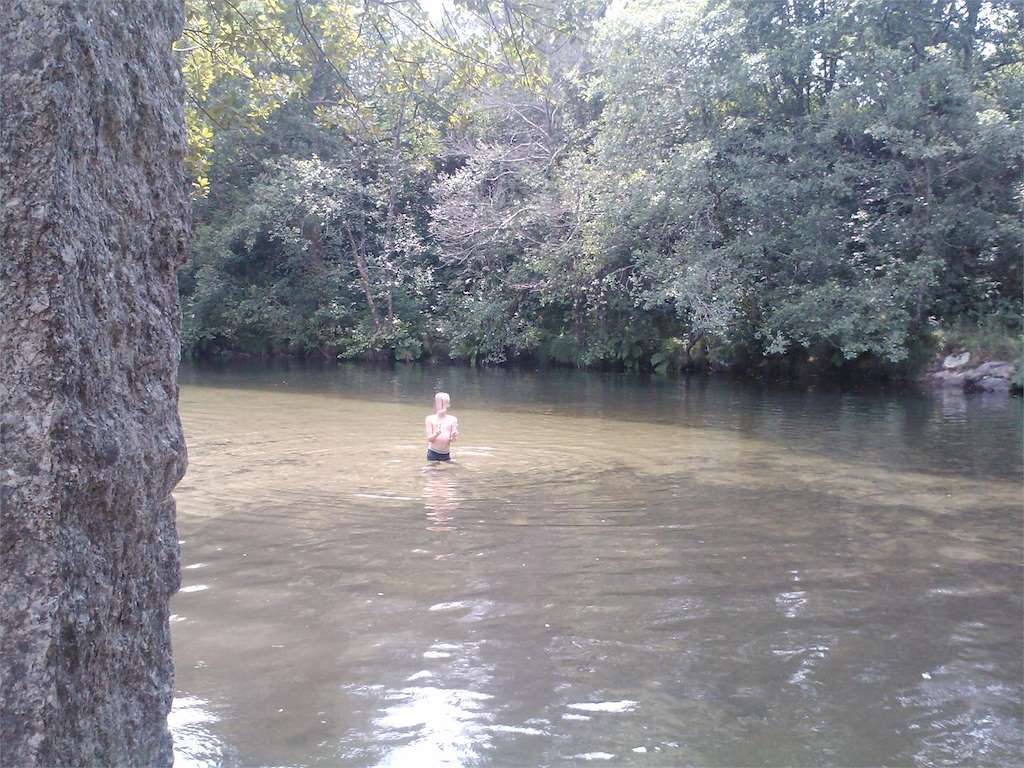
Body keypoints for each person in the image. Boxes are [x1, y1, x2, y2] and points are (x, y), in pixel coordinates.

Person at [425, 392, 458, 462]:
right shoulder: (430, 419)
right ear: (436, 405)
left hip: (446, 454)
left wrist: (454, 436)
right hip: (433, 452)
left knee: (454, 470)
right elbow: (429, 439)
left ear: (448, 405)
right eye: (438, 403)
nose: (441, 405)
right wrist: (436, 434)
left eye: (443, 403)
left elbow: (453, 441)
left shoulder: (453, 419)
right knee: (432, 471)